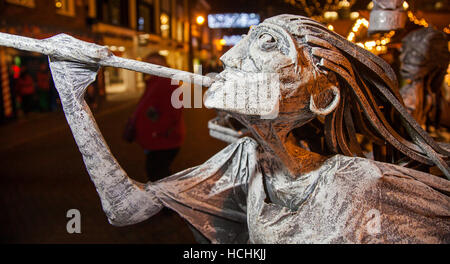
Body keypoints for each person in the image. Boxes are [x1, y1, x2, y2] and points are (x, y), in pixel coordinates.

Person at [47, 15, 449, 244]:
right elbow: (125, 208)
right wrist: (71, 94)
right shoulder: (247, 160)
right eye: (246, 41)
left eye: (268, 44)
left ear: (322, 99)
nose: (228, 55)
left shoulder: (363, 186)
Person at [131, 54, 185, 181]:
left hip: (163, 140)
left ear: (164, 64)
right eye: (148, 64)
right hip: (157, 140)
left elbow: (174, 112)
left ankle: (167, 199)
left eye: (155, 63)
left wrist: (158, 132)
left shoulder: (168, 82)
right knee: (158, 173)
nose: (151, 67)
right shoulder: (154, 81)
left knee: (158, 175)